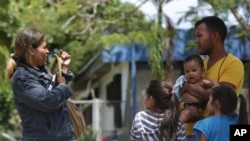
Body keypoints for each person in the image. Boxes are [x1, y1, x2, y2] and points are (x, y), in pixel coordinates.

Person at [180, 16, 245, 141]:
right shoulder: (199, 66)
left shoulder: (233, 64)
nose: (196, 40)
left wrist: (188, 87)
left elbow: (222, 96)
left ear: (215, 36)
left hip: (214, 135)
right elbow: (183, 95)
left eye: (199, 36)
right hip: (189, 132)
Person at [5, 28, 75, 141]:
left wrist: (64, 70)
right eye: (44, 47)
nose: (48, 51)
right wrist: (62, 85)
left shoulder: (42, 71)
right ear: (31, 50)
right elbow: (49, 101)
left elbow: (53, 92)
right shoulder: (22, 78)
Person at [174, 54, 215, 123]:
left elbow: (212, 89)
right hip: (184, 105)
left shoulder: (202, 81)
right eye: (187, 71)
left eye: (194, 70)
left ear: (202, 71)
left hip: (196, 106)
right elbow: (177, 92)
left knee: (186, 114)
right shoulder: (183, 82)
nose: (190, 73)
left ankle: (177, 127)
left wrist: (209, 83)